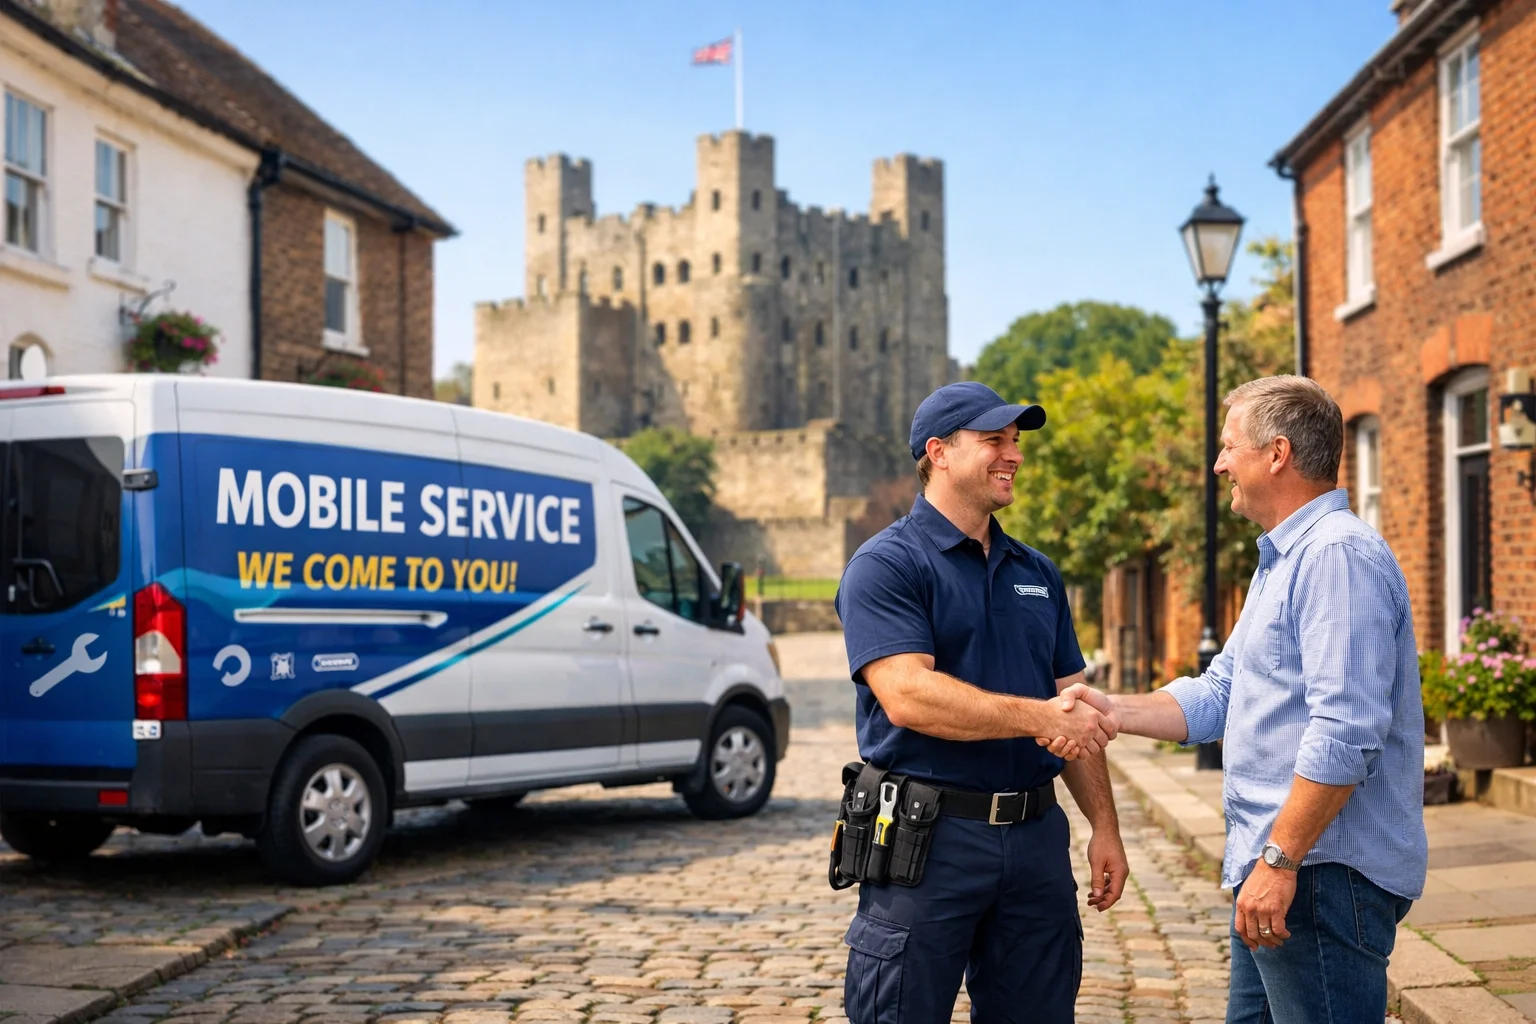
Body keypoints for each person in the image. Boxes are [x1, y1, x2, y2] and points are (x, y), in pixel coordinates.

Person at [1057, 375, 1427, 1024]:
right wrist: (1112, 710)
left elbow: (1347, 731)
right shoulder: (1283, 558)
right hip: (1281, 871)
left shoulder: (1335, 556)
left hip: (1317, 875)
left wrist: (1280, 861)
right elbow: (1222, 693)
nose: (1219, 462)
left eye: (1230, 447)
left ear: (1277, 453)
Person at [835, 381, 1127, 1024]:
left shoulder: (1038, 573)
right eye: (993, 440)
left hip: (1035, 843)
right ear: (938, 452)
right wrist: (1040, 718)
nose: (1013, 455)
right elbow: (909, 695)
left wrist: (1104, 825)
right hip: (927, 841)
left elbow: (1069, 708)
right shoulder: (885, 565)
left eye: (1016, 441)